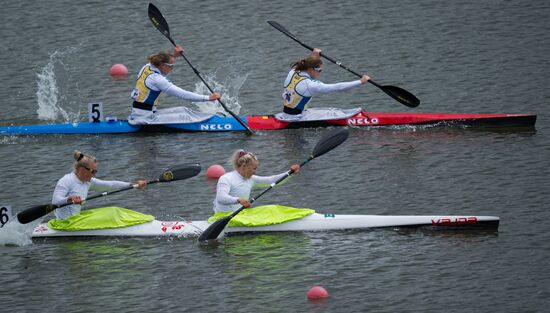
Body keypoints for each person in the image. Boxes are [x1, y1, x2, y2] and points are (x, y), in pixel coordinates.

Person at [129, 45, 222, 125]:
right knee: (185, 116)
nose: (172, 69)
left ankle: (216, 118)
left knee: (183, 110)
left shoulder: (147, 66)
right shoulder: (158, 80)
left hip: (140, 113)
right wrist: (209, 98)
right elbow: (183, 95)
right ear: (162, 65)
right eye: (171, 66)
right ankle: (219, 122)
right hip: (146, 119)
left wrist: (173, 55)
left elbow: (162, 60)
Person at [51, 151, 147, 220]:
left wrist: (134, 185)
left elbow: (111, 184)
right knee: (112, 214)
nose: (94, 174)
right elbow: (55, 202)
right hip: (65, 224)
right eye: (93, 171)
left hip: (76, 220)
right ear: (83, 170)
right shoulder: (66, 180)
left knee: (114, 210)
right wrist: (69, 199)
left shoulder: (87, 182)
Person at [281, 48, 370, 116]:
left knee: (333, 111)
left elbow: (307, 63)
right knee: (335, 113)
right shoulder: (310, 85)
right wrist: (360, 81)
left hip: (286, 114)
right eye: (319, 70)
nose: (320, 72)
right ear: (310, 69)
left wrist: (315, 56)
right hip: (296, 117)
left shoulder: (293, 71)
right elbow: (338, 87)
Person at [213, 150, 300, 213]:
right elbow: (221, 198)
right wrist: (238, 200)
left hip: (241, 215)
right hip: (224, 216)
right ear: (244, 166)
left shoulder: (251, 179)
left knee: (271, 209)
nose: (255, 172)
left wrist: (290, 172)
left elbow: (271, 180)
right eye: (254, 168)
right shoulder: (226, 178)